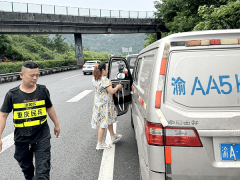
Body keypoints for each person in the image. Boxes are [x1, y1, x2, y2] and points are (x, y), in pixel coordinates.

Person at [0, 62, 60, 180]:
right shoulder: (12, 94)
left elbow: (49, 107)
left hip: (41, 135)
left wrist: (56, 124)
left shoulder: (43, 90)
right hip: (22, 138)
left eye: (37, 75)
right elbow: (3, 115)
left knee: (42, 172)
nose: (35, 78)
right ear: (21, 75)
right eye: (31, 75)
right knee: (26, 168)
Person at [92, 62, 123, 150]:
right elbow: (112, 91)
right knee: (103, 124)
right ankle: (100, 143)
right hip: (105, 105)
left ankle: (113, 136)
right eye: (106, 69)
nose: (108, 70)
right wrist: (117, 87)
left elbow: (104, 87)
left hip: (98, 104)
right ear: (103, 70)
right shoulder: (104, 80)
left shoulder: (95, 79)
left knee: (108, 120)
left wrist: (109, 83)